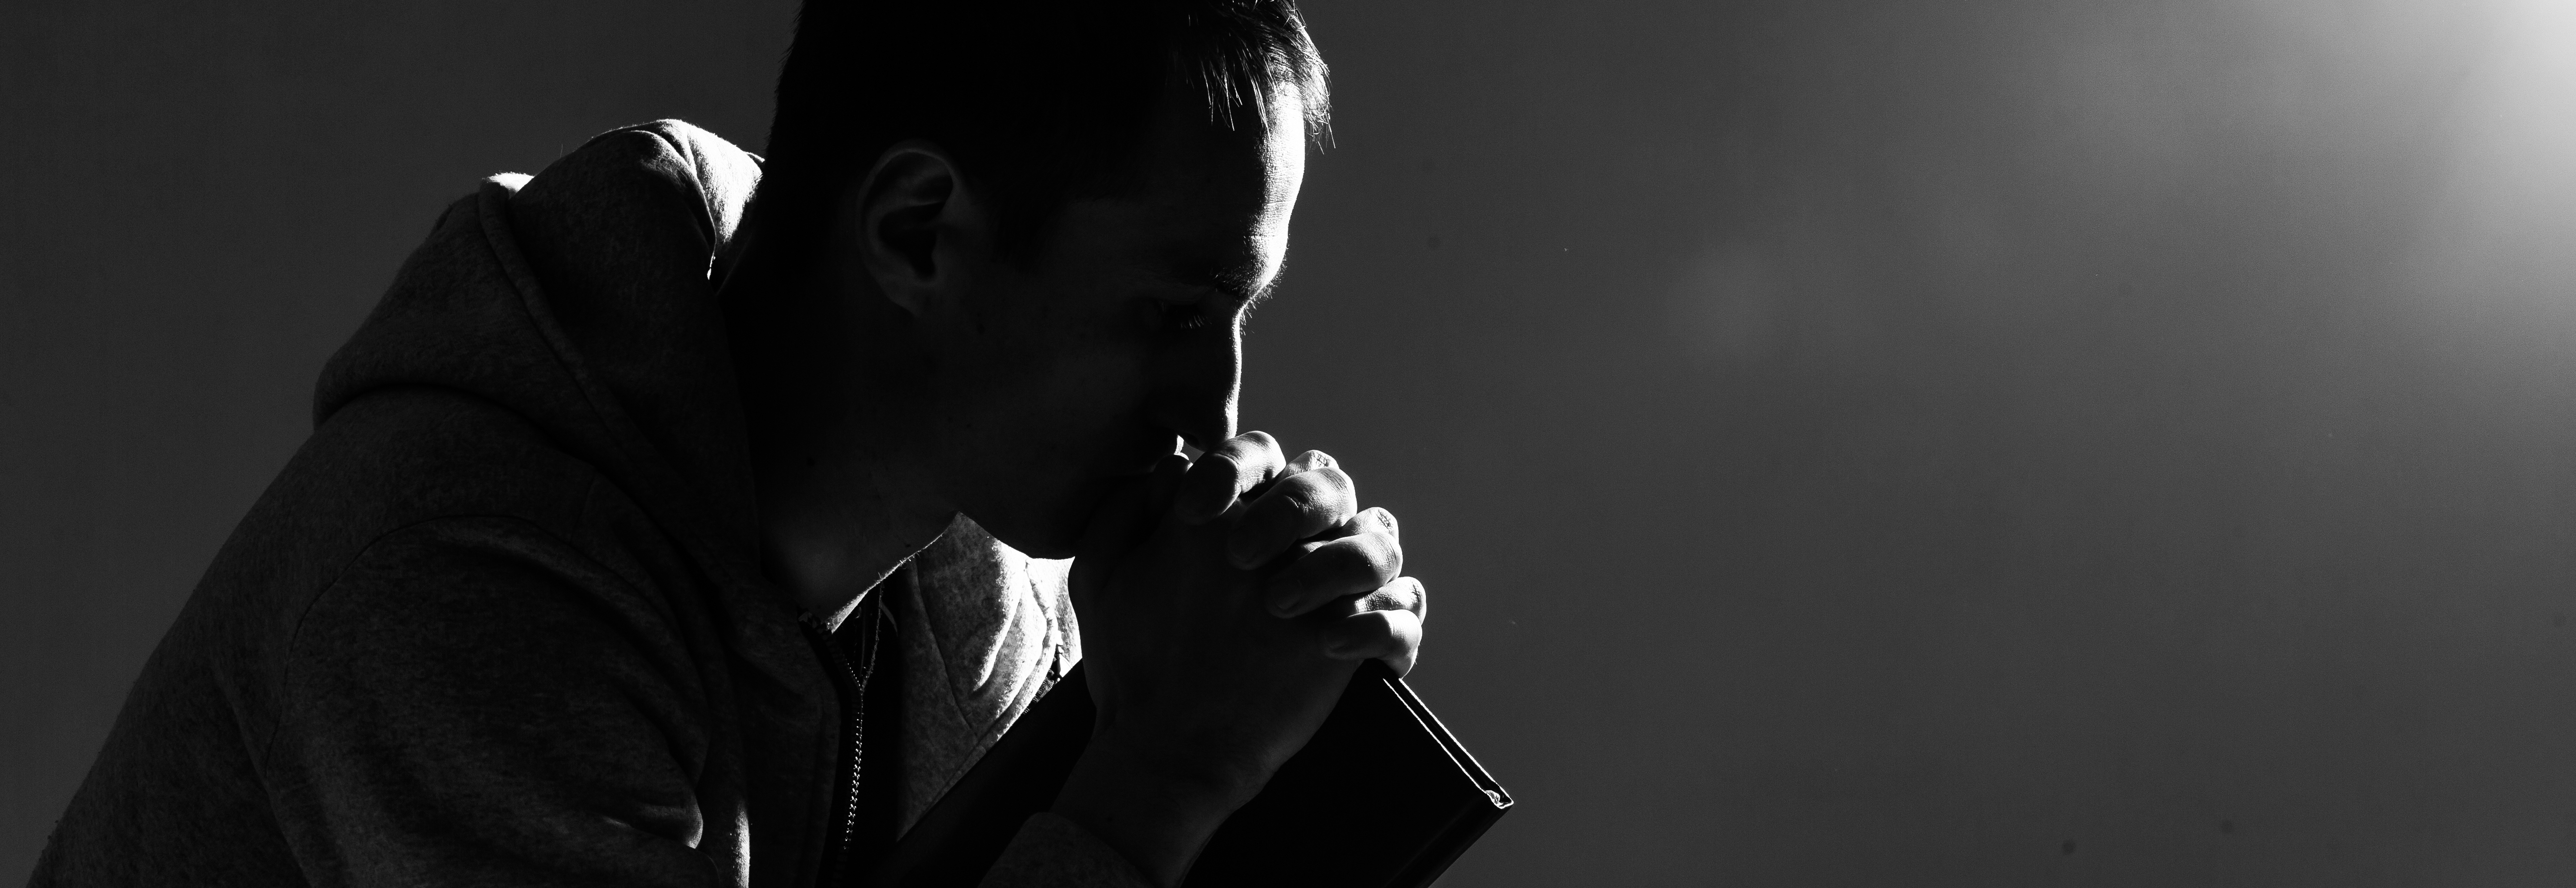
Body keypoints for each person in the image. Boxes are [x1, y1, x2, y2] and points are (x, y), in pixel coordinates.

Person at [29, 1, 1429, 886]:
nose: (1216, 409)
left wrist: (1218, 698)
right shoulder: (452, 587)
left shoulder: (980, 593)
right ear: (914, 233)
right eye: (1173, 312)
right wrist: (1163, 770)